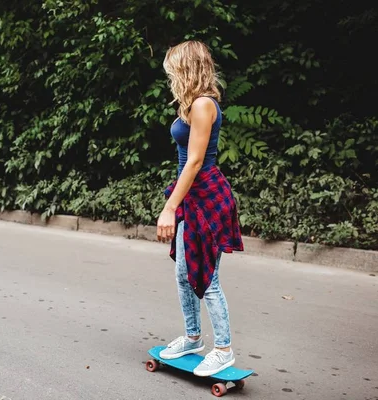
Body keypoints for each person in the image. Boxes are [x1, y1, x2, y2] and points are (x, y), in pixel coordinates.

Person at [156, 40, 244, 377]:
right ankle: (193, 337)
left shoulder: (204, 105)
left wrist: (169, 207)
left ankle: (223, 349)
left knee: (207, 278)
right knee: (183, 272)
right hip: (191, 195)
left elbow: (194, 162)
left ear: (185, 69)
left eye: (172, 70)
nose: (169, 77)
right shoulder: (189, 104)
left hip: (205, 196)